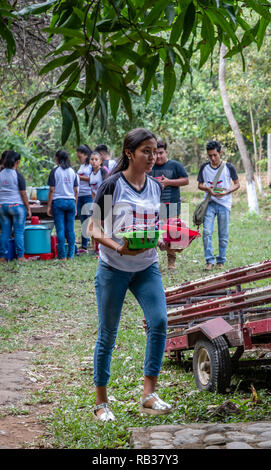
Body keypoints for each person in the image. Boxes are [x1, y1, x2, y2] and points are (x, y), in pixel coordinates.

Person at [88, 128, 172, 422]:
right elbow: (94, 229)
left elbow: (153, 228)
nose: (152, 157)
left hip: (147, 267)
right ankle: (101, 402)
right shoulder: (112, 186)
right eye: (145, 152)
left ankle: (149, 394)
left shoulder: (155, 187)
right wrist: (120, 248)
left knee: (159, 321)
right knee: (108, 334)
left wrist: (167, 241)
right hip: (113, 268)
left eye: (154, 151)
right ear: (129, 153)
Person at [197, 140, 240, 270]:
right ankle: (209, 261)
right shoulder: (204, 167)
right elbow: (199, 185)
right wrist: (208, 189)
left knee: (223, 234)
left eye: (215, 155)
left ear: (220, 152)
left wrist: (227, 191)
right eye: (210, 155)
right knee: (206, 232)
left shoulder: (229, 167)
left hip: (224, 204)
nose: (213, 158)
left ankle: (221, 260)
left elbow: (237, 184)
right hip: (209, 203)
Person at [149, 138, 189, 269]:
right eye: (156, 153)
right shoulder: (149, 166)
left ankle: (171, 262)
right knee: (152, 232)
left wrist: (168, 182)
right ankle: (151, 260)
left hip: (172, 204)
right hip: (153, 206)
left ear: (166, 152)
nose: (158, 156)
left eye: (161, 153)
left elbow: (186, 180)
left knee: (171, 233)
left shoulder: (175, 165)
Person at [0, 150, 31, 262]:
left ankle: (2, 257)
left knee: (5, 232)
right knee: (18, 232)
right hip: (17, 207)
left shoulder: (0, 174)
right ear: (17, 162)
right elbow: (23, 194)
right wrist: (28, 208)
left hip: (3, 207)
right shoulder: (18, 175)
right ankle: (20, 256)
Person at [47, 150, 78, 260]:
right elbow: (75, 190)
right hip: (70, 202)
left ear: (57, 159)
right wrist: (75, 205)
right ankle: (71, 255)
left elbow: (51, 189)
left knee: (60, 229)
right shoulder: (72, 171)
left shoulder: (55, 171)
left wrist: (49, 206)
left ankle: (62, 256)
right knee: (70, 230)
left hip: (58, 202)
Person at [76, 144, 93, 251]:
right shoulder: (82, 166)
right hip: (80, 195)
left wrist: (79, 177)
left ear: (86, 155)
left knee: (88, 220)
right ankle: (84, 244)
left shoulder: (91, 165)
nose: (79, 159)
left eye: (80, 157)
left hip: (88, 195)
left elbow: (92, 179)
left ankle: (88, 244)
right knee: (82, 221)